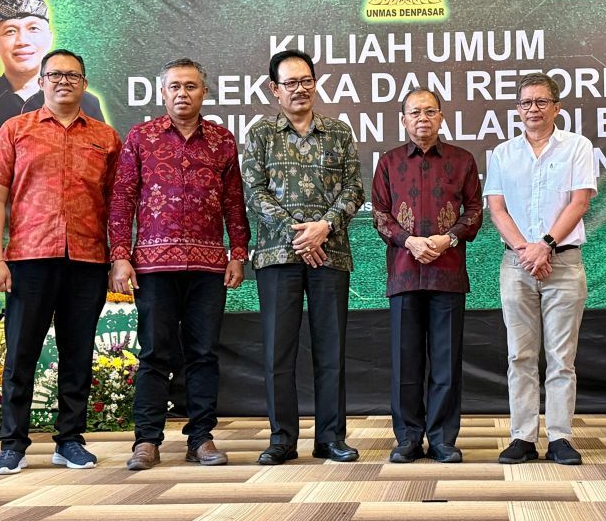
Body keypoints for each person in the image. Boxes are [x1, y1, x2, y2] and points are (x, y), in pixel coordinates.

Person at [0, 49, 121, 475]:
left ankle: (70, 441)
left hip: (88, 260)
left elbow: (117, 205)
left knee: (78, 354)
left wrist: (118, 257)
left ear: (84, 84)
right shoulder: (15, 129)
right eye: (55, 74)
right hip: (29, 259)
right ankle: (13, 444)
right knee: (21, 354)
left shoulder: (106, 138)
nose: (64, 81)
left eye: (72, 75)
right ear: (41, 82)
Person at [108, 58, 250, 470]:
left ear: (204, 92)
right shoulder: (141, 137)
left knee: (203, 353)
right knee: (155, 352)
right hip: (153, 268)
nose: (182, 93)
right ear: (162, 93)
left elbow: (234, 202)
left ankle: (201, 438)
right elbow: (122, 199)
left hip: (209, 267)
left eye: (191, 86)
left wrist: (238, 253)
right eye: (175, 86)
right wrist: (120, 255)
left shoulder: (222, 140)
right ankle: (146, 440)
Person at [242, 49, 364, 465]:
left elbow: (354, 189)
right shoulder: (261, 134)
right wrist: (298, 234)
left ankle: (331, 438)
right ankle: (282, 439)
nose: (300, 89)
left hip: (330, 253)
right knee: (279, 353)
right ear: (274, 89)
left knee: (331, 351)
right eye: (290, 83)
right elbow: (254, 192)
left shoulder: (339, 132)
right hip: (278, 256)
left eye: (306, 81)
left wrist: (323, 227)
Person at [484, 73, 596, 465]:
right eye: (526, 102)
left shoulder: (577, 146)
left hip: (563, 262)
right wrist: (525, 250)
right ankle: (523, 437)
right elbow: (497, 208)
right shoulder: (503, 153)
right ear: (518, 109)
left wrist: (545, 245)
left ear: (556, 107)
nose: (533, 109)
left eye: (541, 101)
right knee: (520, 355)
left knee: (562, 358)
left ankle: (561, 437)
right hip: (516, 265)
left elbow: (579, 202)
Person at [371, 88, 482, 463]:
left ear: (441, 117)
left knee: (446, 362)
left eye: (430, 111)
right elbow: (380, 214)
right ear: (403, 119)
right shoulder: (388, 162)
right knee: (406, 362)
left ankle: (442, 439)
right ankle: (407, 438)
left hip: (447, 274)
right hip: (404, 275)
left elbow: (475, 211)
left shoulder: (462, 160)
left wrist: (448, 238)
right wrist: (409, 241)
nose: (423, 118)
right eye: (415, 112)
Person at [0, 0, 105, 214]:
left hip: (71, 224)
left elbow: (100, 170)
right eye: (10, 31)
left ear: (49, 38)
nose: (22, 41)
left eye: (33, 28)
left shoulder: (86, 103)